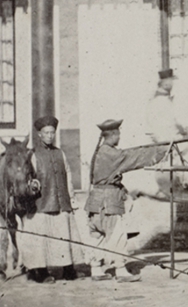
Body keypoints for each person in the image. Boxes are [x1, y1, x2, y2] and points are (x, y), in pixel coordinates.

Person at [84, 119, 168, 282]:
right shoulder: (111, 154)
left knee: (98, 236)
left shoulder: (101, 152)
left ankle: (95, 269)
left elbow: (128, 154)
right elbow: (133, 157)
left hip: (95, 202)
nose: (120, 137)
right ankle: (121, 270)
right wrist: (162, 150)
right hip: (108, 202)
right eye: (119, 134)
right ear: (114, 134)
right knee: (117, 235)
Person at [20, 116, 84, 283]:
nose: (49, 136)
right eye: (46, 133)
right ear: (39, 135)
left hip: (61, 202)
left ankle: (68, 269)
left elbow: (68, 175)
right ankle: (40, 272)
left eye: (52, 132)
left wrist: (71, 197)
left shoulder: (60, 153)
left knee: (64, 234)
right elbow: (26, 179)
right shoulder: (33, 155)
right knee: (41, 240)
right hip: (42, 204)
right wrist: (32, 185)